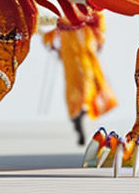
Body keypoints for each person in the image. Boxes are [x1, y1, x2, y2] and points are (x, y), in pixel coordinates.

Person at [40, 9, 118, 144]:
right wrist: (51, 41)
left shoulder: (84, 2)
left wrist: (51, 42)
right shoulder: (61, 2)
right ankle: (79, 111)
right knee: (75, 81)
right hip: (72, 43)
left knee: (85, 79)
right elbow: (49, 22)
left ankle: (81, 109)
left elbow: (98, 17)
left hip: (82, 42)